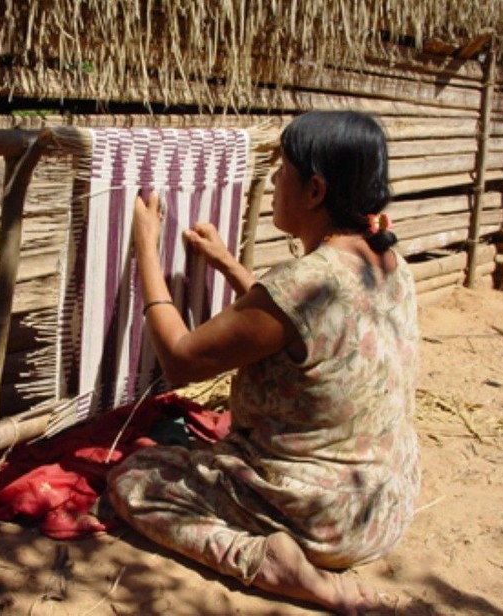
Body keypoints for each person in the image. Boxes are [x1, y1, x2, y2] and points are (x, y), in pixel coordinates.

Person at [106, 110, 420, 614]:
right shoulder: (386, 260)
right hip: (382, 505)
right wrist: (229, 264)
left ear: (315, 190)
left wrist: (145, 244)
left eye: (283, 170)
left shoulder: (303, 282)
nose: (273, 180)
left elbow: (181, 360)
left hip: (321, 519)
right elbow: (300, 324)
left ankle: (269, 562)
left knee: (134, 478)